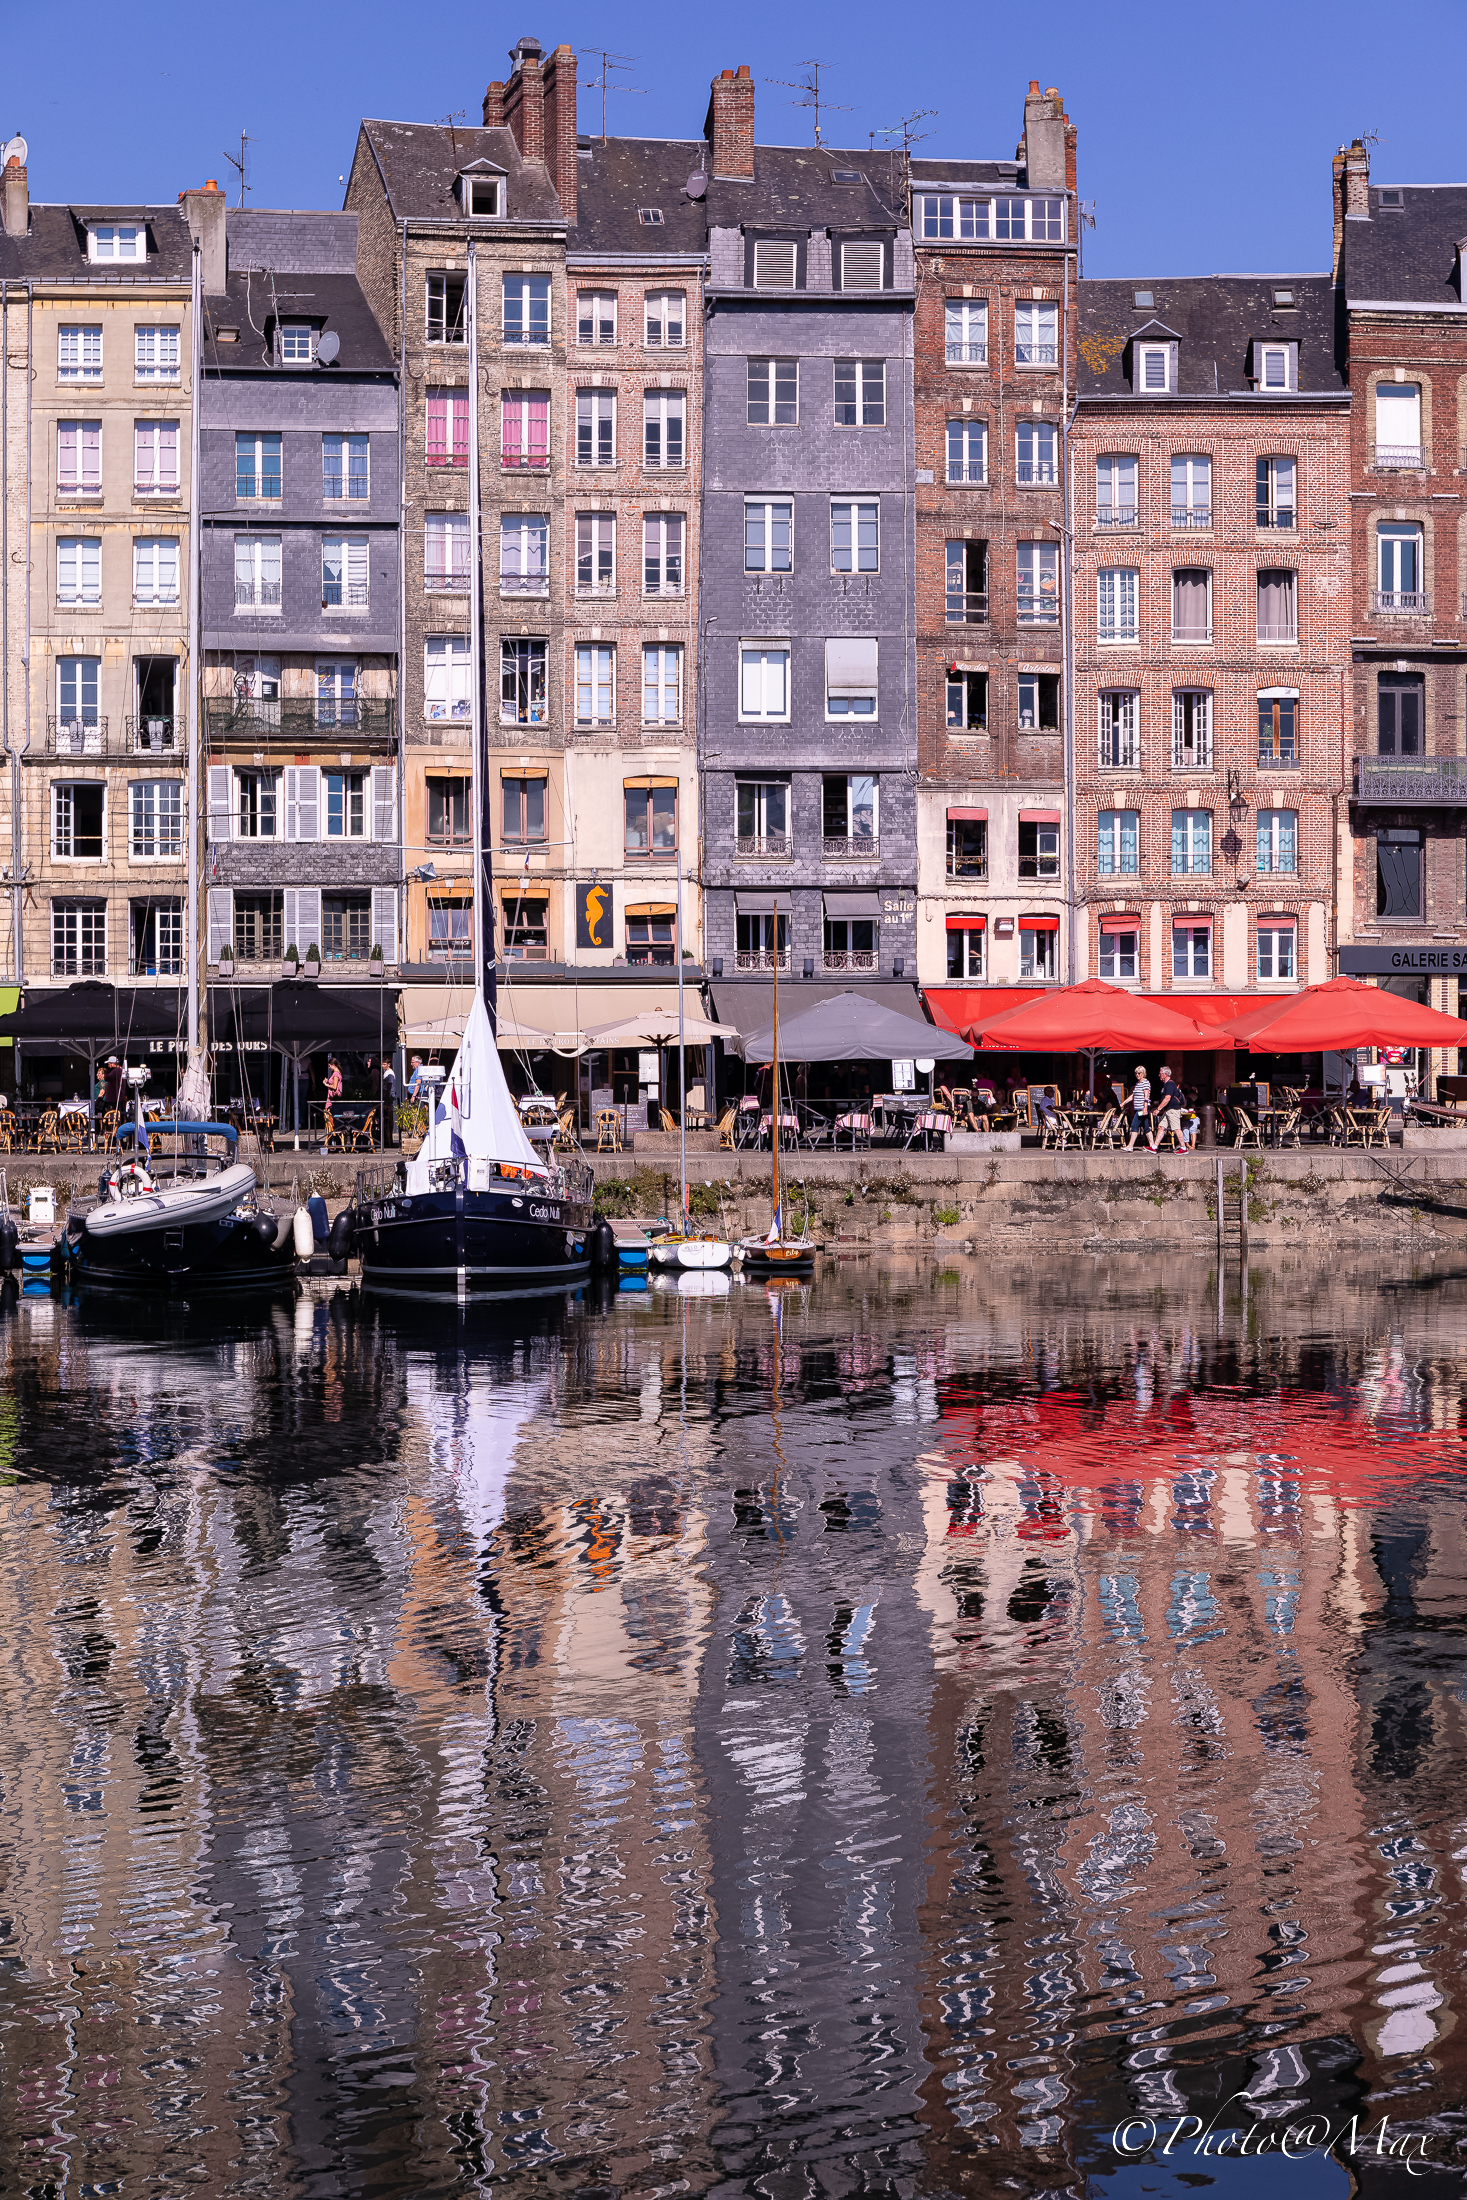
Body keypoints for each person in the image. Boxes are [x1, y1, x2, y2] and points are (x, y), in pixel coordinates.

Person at [1147, 1064, 1187, 1152]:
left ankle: (1183, 1148)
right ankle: (1154, 1147)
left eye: (1160, 1073)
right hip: (1168, 1110)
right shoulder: (1167, 1085)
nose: (1159, 1075)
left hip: (1173, 1110)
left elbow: (1167, 1098)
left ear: (1165, 1074)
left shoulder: (1169, 1084)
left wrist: (1158, 1109)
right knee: (1161, 1127)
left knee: (1176, 1128)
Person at [1123, 1064, 1151, 1150]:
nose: (1137, 1075)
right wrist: (1123, 1103)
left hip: (1142, 1108)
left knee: (1134, 1126)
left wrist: (1145, 1107)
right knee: (1146, 1127)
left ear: (1143, 1073)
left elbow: (1146, 1095)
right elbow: (1133, 1096)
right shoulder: (1138, 1083)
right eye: (1136, 1073)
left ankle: (1130, 1146)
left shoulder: (1145, 1082)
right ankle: (1153, 1145)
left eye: (1139, 1073)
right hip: (1138, 1108)